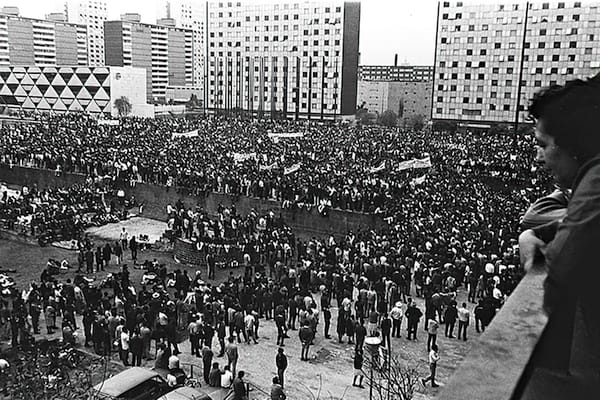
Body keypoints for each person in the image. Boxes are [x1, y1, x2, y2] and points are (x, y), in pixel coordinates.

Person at [519, 75, 600, 374]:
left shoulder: (596, 183)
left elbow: (557, 274)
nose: (539, 157)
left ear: (573, 144)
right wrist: (535, 233)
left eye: (543, 144)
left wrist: (531, 237)